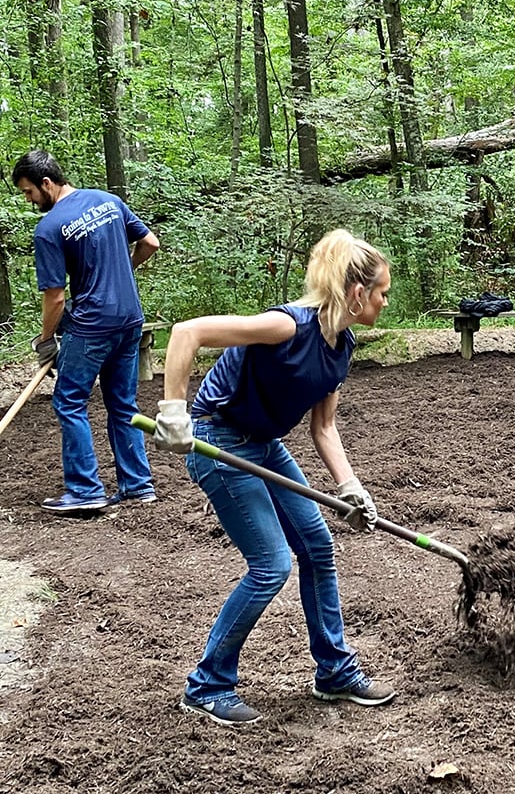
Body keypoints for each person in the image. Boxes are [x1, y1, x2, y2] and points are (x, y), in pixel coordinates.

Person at [151, 228, 397, 725]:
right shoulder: (287, 326)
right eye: (382, 293)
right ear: (356, 294)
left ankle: (333, 671)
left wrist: (350, 487)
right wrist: (174, 410)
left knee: (317, 546)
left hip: (263, 446)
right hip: (217, 441)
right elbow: (186, 333)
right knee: (270, 566)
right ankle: (207, 685)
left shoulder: (341, 346)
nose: (385, 302)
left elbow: (323, 427)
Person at [12, 149, 159, 513]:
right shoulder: (107, 200)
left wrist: (46, 340)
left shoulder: (48, 228)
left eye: (29, 192)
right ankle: (138, 486)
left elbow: (56, 298)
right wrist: (122, 269)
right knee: (122, 404)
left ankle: (85, 490)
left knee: (69, 400)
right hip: (129, 319)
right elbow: (150, 243)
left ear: (47, 183)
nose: (30, 201)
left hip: (93, 325)